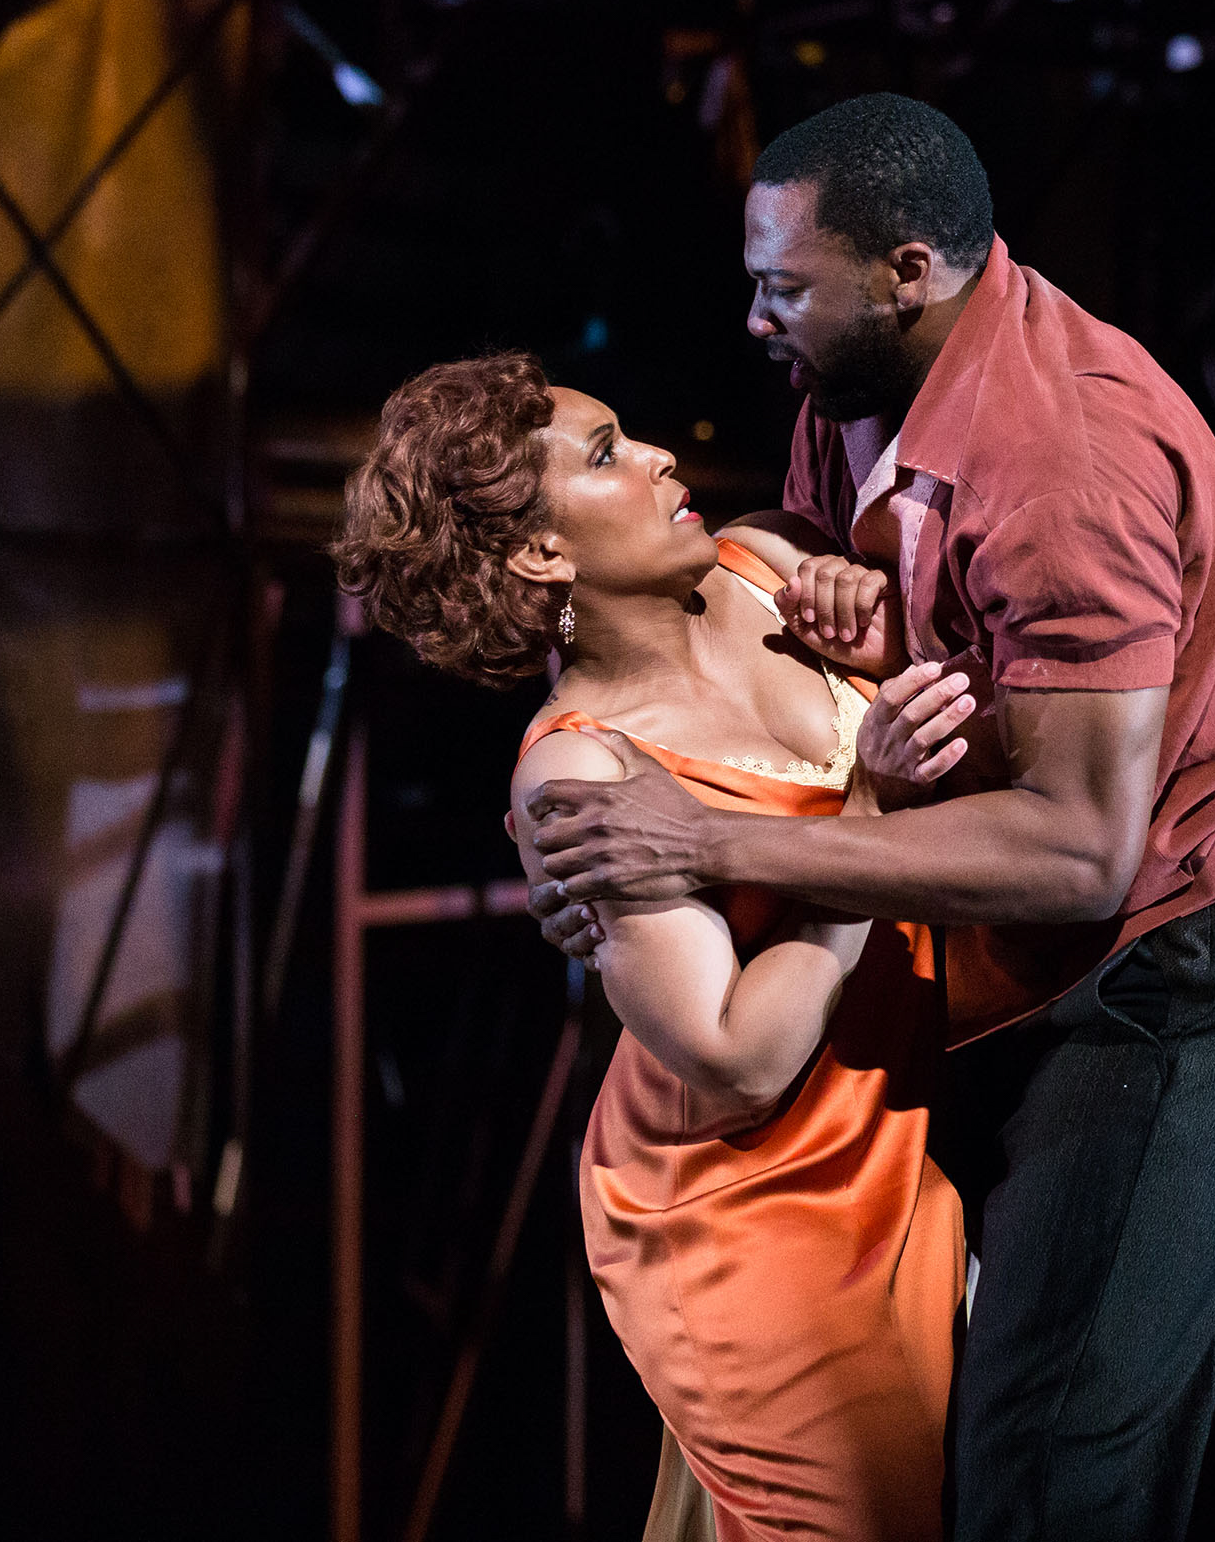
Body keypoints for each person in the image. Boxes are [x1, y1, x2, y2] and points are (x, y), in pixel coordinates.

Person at [523, 93, 1215, 1539]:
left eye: (785, 286)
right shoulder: (849, 396)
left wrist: (709, 845)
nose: (753, 320)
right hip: (982, 988)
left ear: (909, 270)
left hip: (1188, 966)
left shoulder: (1063, 459)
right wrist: (814, 599)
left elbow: (1075, 847)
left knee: (1050, 1465)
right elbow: (748, 685)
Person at [331, 351, 990, 1541]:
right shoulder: (578, 767)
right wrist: (867, 820)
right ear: (541, 553)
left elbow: (965, 707)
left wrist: (877, 618)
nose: (658, 456)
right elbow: (736, 1059)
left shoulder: (763, 566)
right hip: (737, 1210)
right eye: (605, 454)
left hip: (893, 1146)